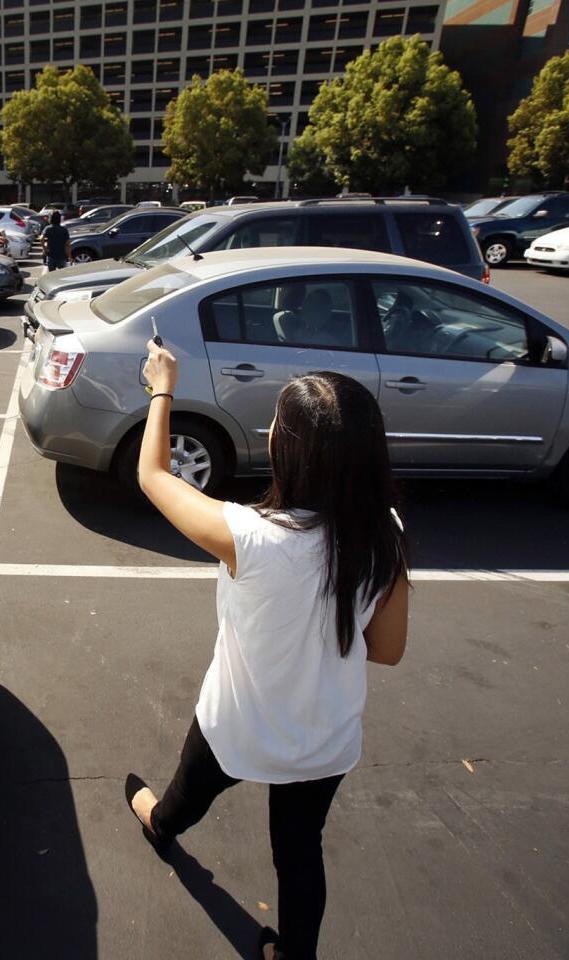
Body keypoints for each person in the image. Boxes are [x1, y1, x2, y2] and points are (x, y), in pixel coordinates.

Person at [125, 343, 410, 960]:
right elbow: (387, 650)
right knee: (299, 853)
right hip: (326, 738)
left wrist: (162, 388)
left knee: (182, 798)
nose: (272, 427)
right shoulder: (384, 532)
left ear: (293, 452)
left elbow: (152, 476)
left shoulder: (249, 536)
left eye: (279, 423)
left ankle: (159, 825)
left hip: (238, 725)